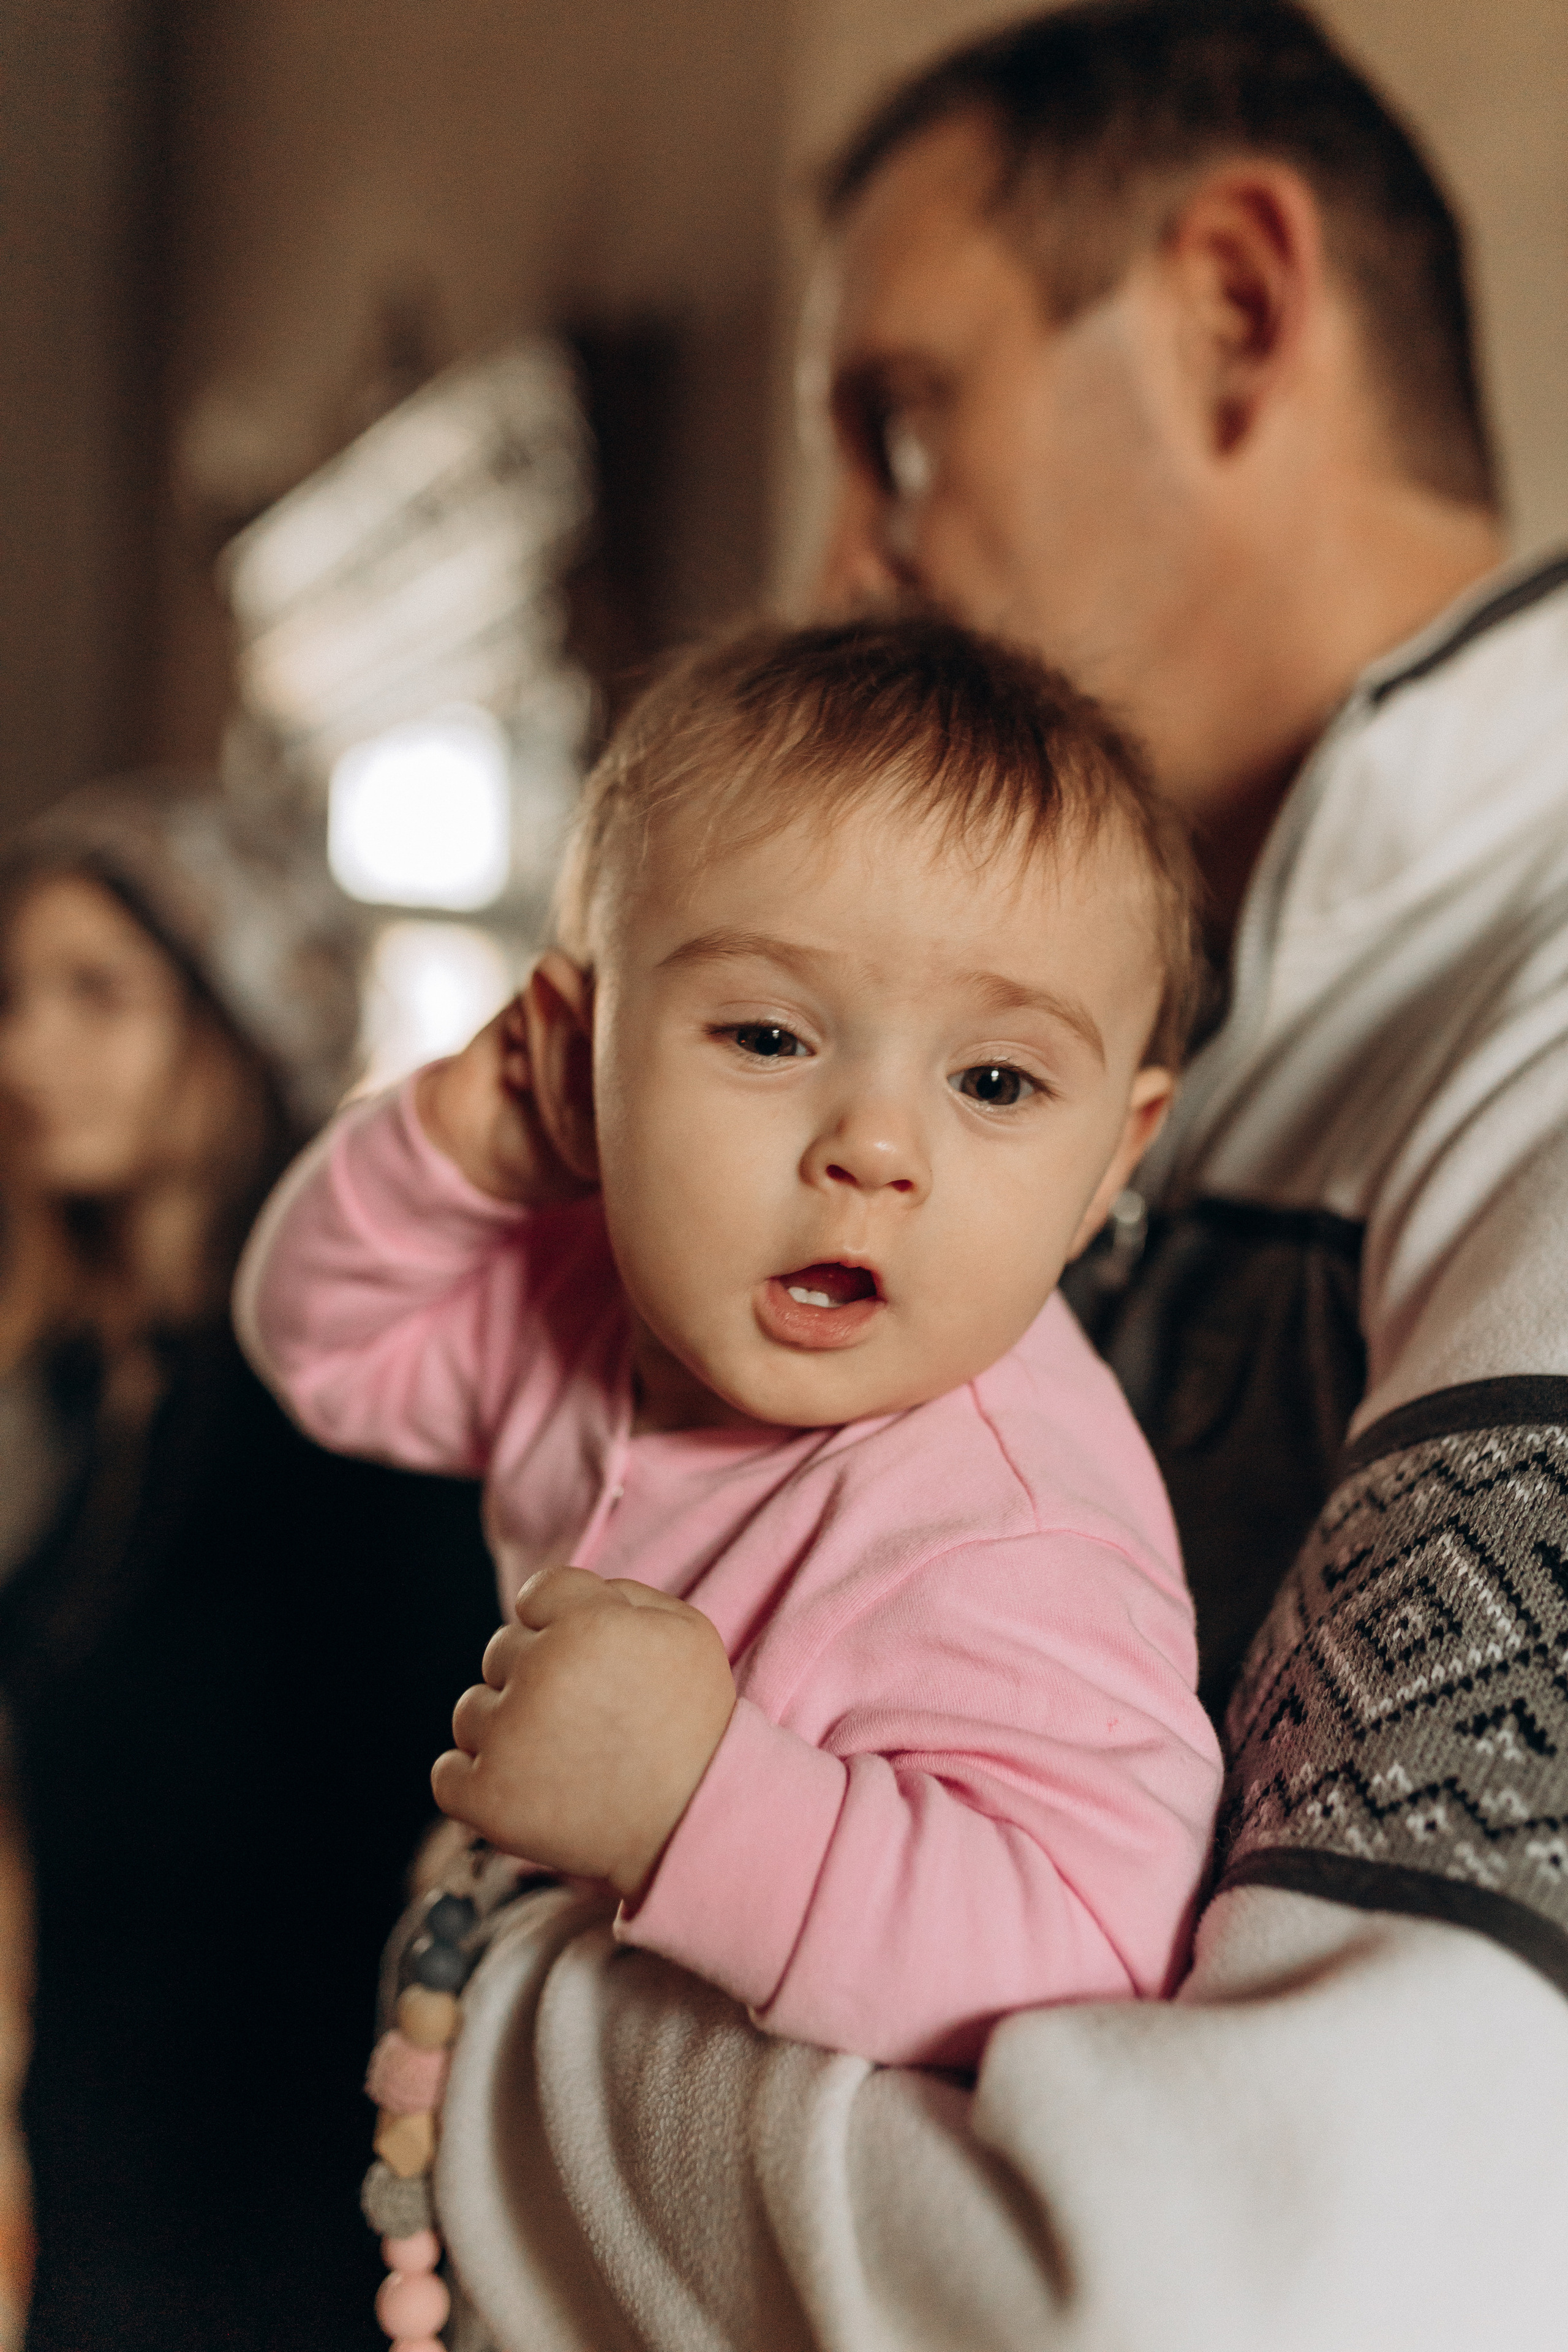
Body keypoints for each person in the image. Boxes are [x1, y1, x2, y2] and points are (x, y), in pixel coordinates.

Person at [375, 4, 1568, 2346]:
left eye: (900, 423)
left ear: (1231, 313)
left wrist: (500, 1999)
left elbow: (1261, 2292)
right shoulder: (1179, 1022)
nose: (840, 562)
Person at [241, 617, 1223, 2105]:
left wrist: (699, 1807)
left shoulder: (1010, 1529)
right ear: (578, 1061)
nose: (873, 1147)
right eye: (768, 1037)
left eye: (995, 1080)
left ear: (1106, 1164)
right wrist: (449, 1151)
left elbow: (1091, 1957)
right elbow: (331, 1346)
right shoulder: (587, 1298)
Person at [0, 772, 500, 2351]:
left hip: (291, 2198)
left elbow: (426, 1824)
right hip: (94, 2163)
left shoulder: (345, 1409)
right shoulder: (74, 1386)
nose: (24, 1052)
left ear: (234, 1021)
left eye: (99, 995)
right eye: (13, 995)